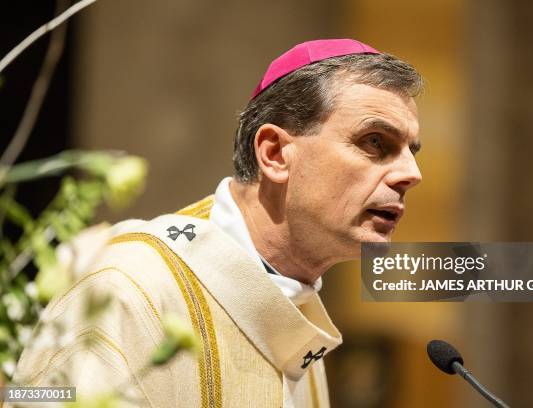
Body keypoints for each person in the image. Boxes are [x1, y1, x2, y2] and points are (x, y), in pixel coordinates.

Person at [12, 38, 423, 407]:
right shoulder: (130, 285)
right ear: (275, 153)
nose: (411, 173)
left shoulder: (297, 319)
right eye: (375, 142)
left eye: (411, 151)